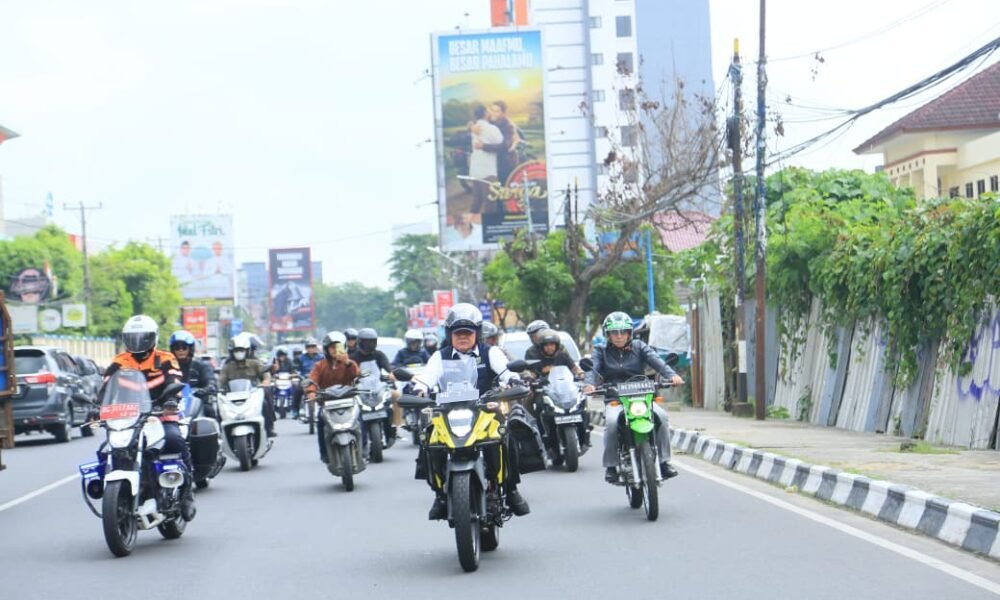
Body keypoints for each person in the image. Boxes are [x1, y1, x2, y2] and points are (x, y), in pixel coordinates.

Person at [412, 303, 530, 520]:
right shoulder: (440, 356)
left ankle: (511, 489)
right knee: (429, 439)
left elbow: (505, 370)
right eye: (458, 333)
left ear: (477, 333)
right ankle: (439, 494)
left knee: (506, 437)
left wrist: (513, 379)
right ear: (450, 335)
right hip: (448, 411)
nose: (463, 337)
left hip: (486, 409)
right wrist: (419, 389)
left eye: (468, 332)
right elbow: (426, 377)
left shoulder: (490, 352)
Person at [102, 315, 195, 521]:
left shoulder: (165, 358)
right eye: (132, 338)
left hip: (159, 414)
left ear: (152, 338)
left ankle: (187, 493)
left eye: (142, 337)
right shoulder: (120, 361)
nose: (137, 342)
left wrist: (171, 401)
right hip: (128, 417)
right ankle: (111, 489)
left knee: (174, 440)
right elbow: (107, 385)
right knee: (107, 449)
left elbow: (174, 380)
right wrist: (96, 405)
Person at [583, 311, 683, 483]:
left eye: (623, 332)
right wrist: (590, 385)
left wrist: (672, 376)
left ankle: (664, 462)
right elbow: (593, 369)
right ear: (608, 334)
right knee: (612, 422)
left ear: (630, 333)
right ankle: (611, 466)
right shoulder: (601, 350)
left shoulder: (639, 347)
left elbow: (657, 361)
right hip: (614, 398)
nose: (619, 336)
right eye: (614, 332)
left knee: (661, 416)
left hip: (641, 397)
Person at [304, 331, 360, 463]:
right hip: (327, 403)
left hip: (348, 402)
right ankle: (324, 454)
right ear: (326, 349)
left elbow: (356, 375)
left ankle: (363, 448)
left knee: (360, 420)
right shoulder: (320, 365)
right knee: (321, 423)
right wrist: (311, 391)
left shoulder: (350, 363)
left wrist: (347, 362)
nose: (335, 350)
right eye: (332, 347)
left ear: (344, 347)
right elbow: (312, 380)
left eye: (338, 347)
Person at [219, 332, 276, 437]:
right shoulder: (227, 366)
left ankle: (269, 427)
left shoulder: (255, 363)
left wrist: (264, 383)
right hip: (232, 397)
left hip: (252, 395)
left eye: (241, 350)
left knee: (265, 400)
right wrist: (219, 390)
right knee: (219, 406)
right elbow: (221, 381)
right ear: (232, 352)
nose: (239, 353)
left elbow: (265, 375)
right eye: (236, 350)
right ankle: (220, 432)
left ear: (247, 350)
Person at [169, 330, 218, 418]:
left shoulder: (201, 365)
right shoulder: (167, 367)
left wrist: (206, 389)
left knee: (209, 411)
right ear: (172, 350)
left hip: (197, 402)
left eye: (184, 347)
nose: (181, 350)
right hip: (172, 404)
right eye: (177, 348)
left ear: (190, 349)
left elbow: (210, 381)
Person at [467, 103, 503, 218]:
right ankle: (489, 230)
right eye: (489, 111)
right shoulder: (491, 128)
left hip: (475, 170)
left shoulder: (474, 127)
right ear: (485, 113)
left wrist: (470, 126)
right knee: (490, 202)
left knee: (476, 201)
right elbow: (502, 144)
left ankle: (471, 225)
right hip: (488, 171)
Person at [477, 100, 520, 186]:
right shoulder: (491, 122)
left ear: (503, 113)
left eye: (497, 111)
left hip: (506, 164)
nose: (493, 113)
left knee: (506, 191)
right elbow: (477, 122)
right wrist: (470, 126)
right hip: (495, 164)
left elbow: (505, 146)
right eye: (492, 110)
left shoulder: (508, 125)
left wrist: (484, 146)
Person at [295, 339, 323, 418]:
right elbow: (297, 369)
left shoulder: (321, 357)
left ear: (316, 347)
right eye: (309, 347)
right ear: (306, 348)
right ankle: (296, 410)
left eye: (313, 347)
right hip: (305, 380)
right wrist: (298, 374)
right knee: (297, 390)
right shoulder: (301, 358)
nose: (311, 349)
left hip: (318, 380)